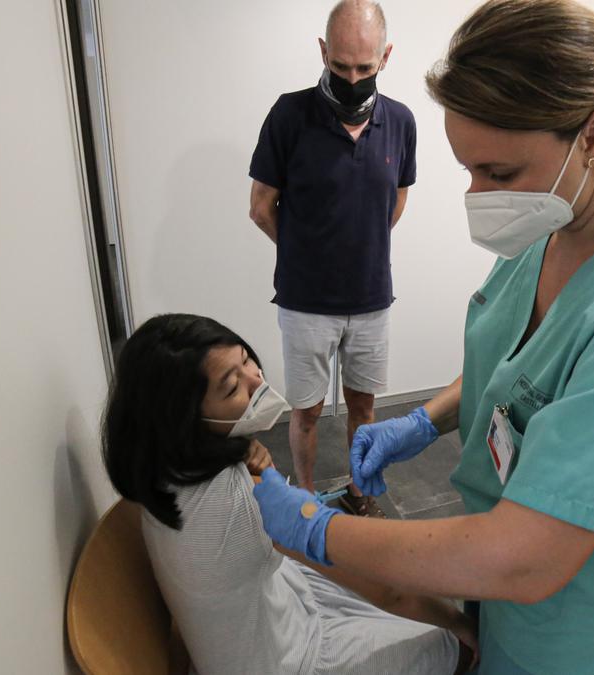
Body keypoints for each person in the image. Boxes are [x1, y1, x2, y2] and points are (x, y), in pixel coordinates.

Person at [250, 1, 594, 673]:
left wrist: (320, 530)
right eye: (468, 171)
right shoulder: (549, 224)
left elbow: (526, 557)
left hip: (569, 600)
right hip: (494, 549)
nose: (480, 196)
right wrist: (424, 422)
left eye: (500, 173)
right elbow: (526, 368)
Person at [101, 313, 475, 674]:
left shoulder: (162, 470)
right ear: (185, 419)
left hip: (266, 614)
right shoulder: (245, 498)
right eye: (232, 387)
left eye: (247, 360)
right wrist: (461, 625)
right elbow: (388, 587)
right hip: (283, 659)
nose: (257, 380)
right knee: (447, 644)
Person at [248, 0, 417, 518]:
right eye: (340, 66)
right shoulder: (289, 114)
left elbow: (398, 199)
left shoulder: (402, 123)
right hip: (305, 301)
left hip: (371, 298)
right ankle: (302, 498)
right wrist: (309, 253)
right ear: (323, 51)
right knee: (307, 410)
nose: (352, 77)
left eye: (364, 68)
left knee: (364, 408)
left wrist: (357, 247)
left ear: (386, 56)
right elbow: (260, 207)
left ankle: (361, 493)